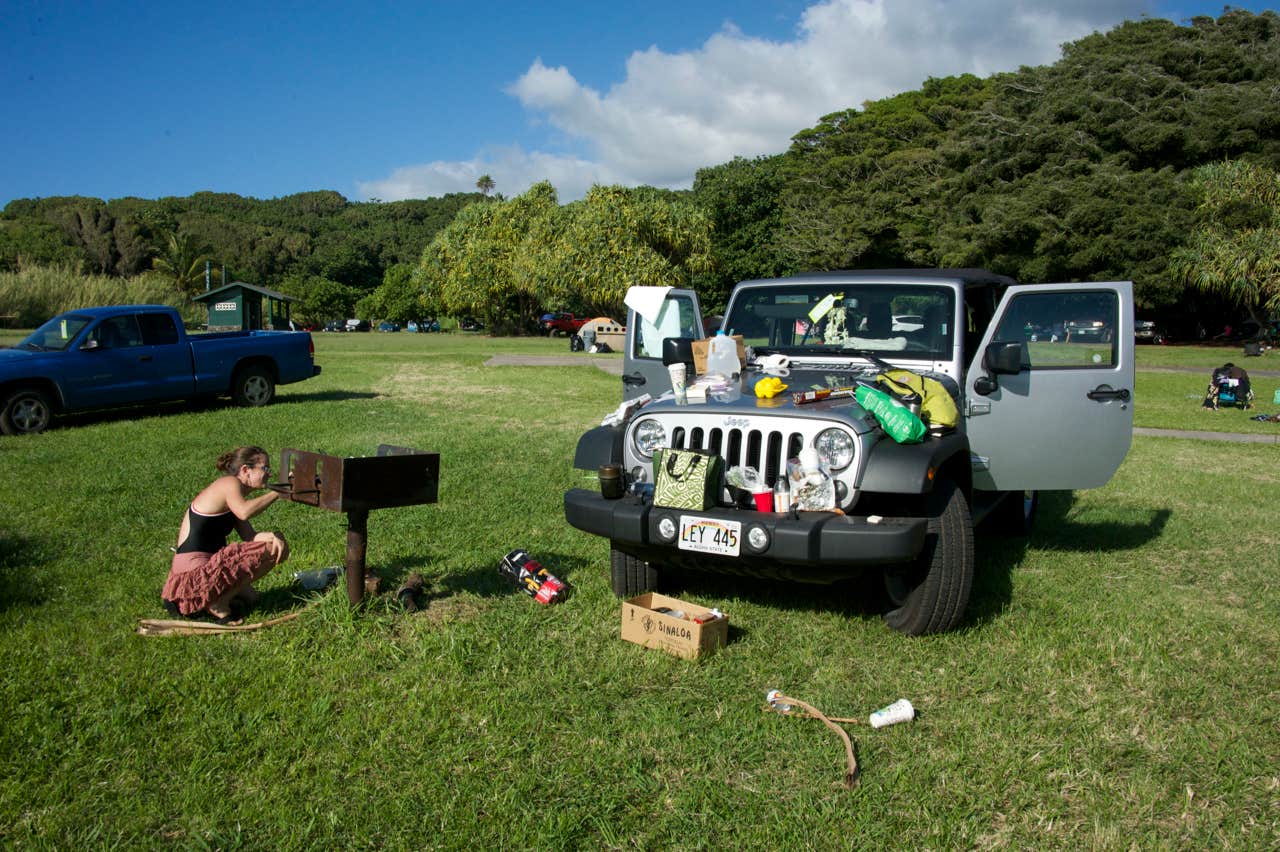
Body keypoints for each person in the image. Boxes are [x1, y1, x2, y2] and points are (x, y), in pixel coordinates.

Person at [161, 446, 289, 623]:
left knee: (252, 598)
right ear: (246, 470)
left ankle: (210, 601)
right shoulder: (229, 484)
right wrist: (279, 491)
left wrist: (276, 535)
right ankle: (218, 604)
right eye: (265, 468)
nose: (269, 473)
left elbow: (250, 536)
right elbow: (245, 512)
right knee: (270, 549)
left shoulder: (234, 495)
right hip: (194, 575)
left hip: (203, 569)